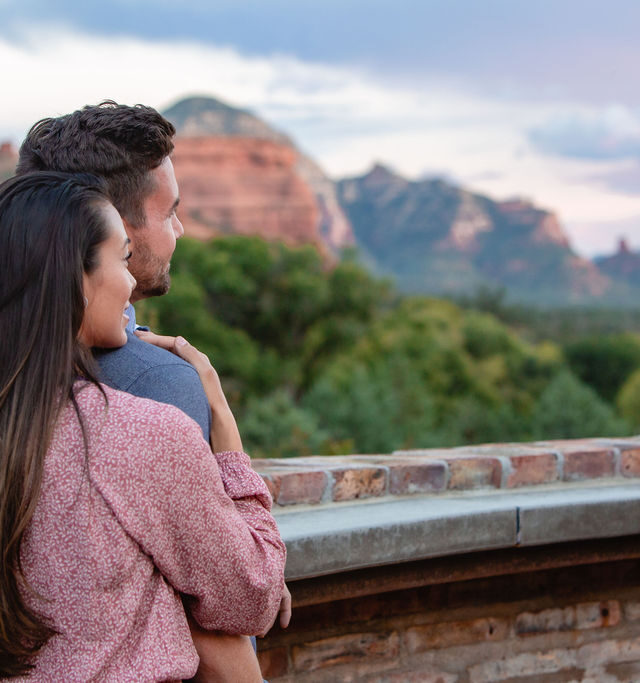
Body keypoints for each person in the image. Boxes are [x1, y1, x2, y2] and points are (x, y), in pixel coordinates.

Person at [16, 101, 292, 676]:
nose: (182, 229)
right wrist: (226, 439)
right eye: (169, 213)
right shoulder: (151, 395)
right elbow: (240, 601)